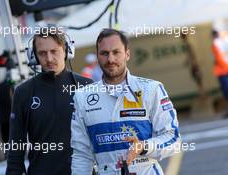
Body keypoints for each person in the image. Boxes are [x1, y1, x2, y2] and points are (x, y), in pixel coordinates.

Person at [71, 29, 181, 175]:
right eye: (104, 53)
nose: (110, 59)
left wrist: (143, 146)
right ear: (98, 57)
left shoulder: (151, 89)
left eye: (116, 52)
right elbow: (81, 154)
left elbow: (173, 139)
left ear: (127, 54)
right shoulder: (82, 96)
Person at [6, 28, 92, 175]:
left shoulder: (87, 86)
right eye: (42, 53)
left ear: (66, 51)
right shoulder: (23, 92)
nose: (49, 58)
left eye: (54, 51)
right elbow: (16, 147)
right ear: (33, 56)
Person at [212, 30, 228, 117]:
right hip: (223, 71)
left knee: (226, 91)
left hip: (223, 71)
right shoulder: (219, 42)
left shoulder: (217, 43)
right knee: (226, 92)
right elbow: (219, 58)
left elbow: (219, 58)